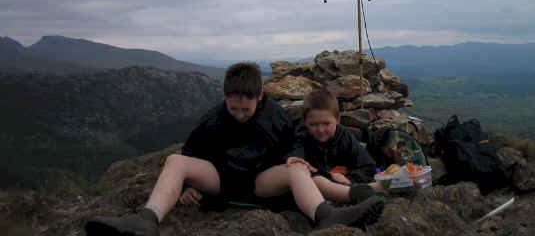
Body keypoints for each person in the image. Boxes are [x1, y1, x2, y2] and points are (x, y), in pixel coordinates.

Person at [85, 63, 384, 236]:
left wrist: (297, 157)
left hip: (260, 182)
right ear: (225, 98)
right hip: (222, 180)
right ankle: (146, 219)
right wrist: (189, 184)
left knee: (296, 168)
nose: (239, 114)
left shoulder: (275, 115)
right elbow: (191, 151)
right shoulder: (214, 119)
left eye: (246, 108)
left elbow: (292, 143)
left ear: (260, 97)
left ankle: (326, 215)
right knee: (175, 160)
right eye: (234, 107)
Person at [285, 88, 383, 204]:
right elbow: (296, 161)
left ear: (337, 120)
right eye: (313, 124)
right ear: (305, 122)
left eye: (326, 123)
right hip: (317, 193)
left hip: (347, 184)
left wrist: (349, 179)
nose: (320, 130)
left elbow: (368, 167)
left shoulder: (346, 138)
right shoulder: (300, 139)